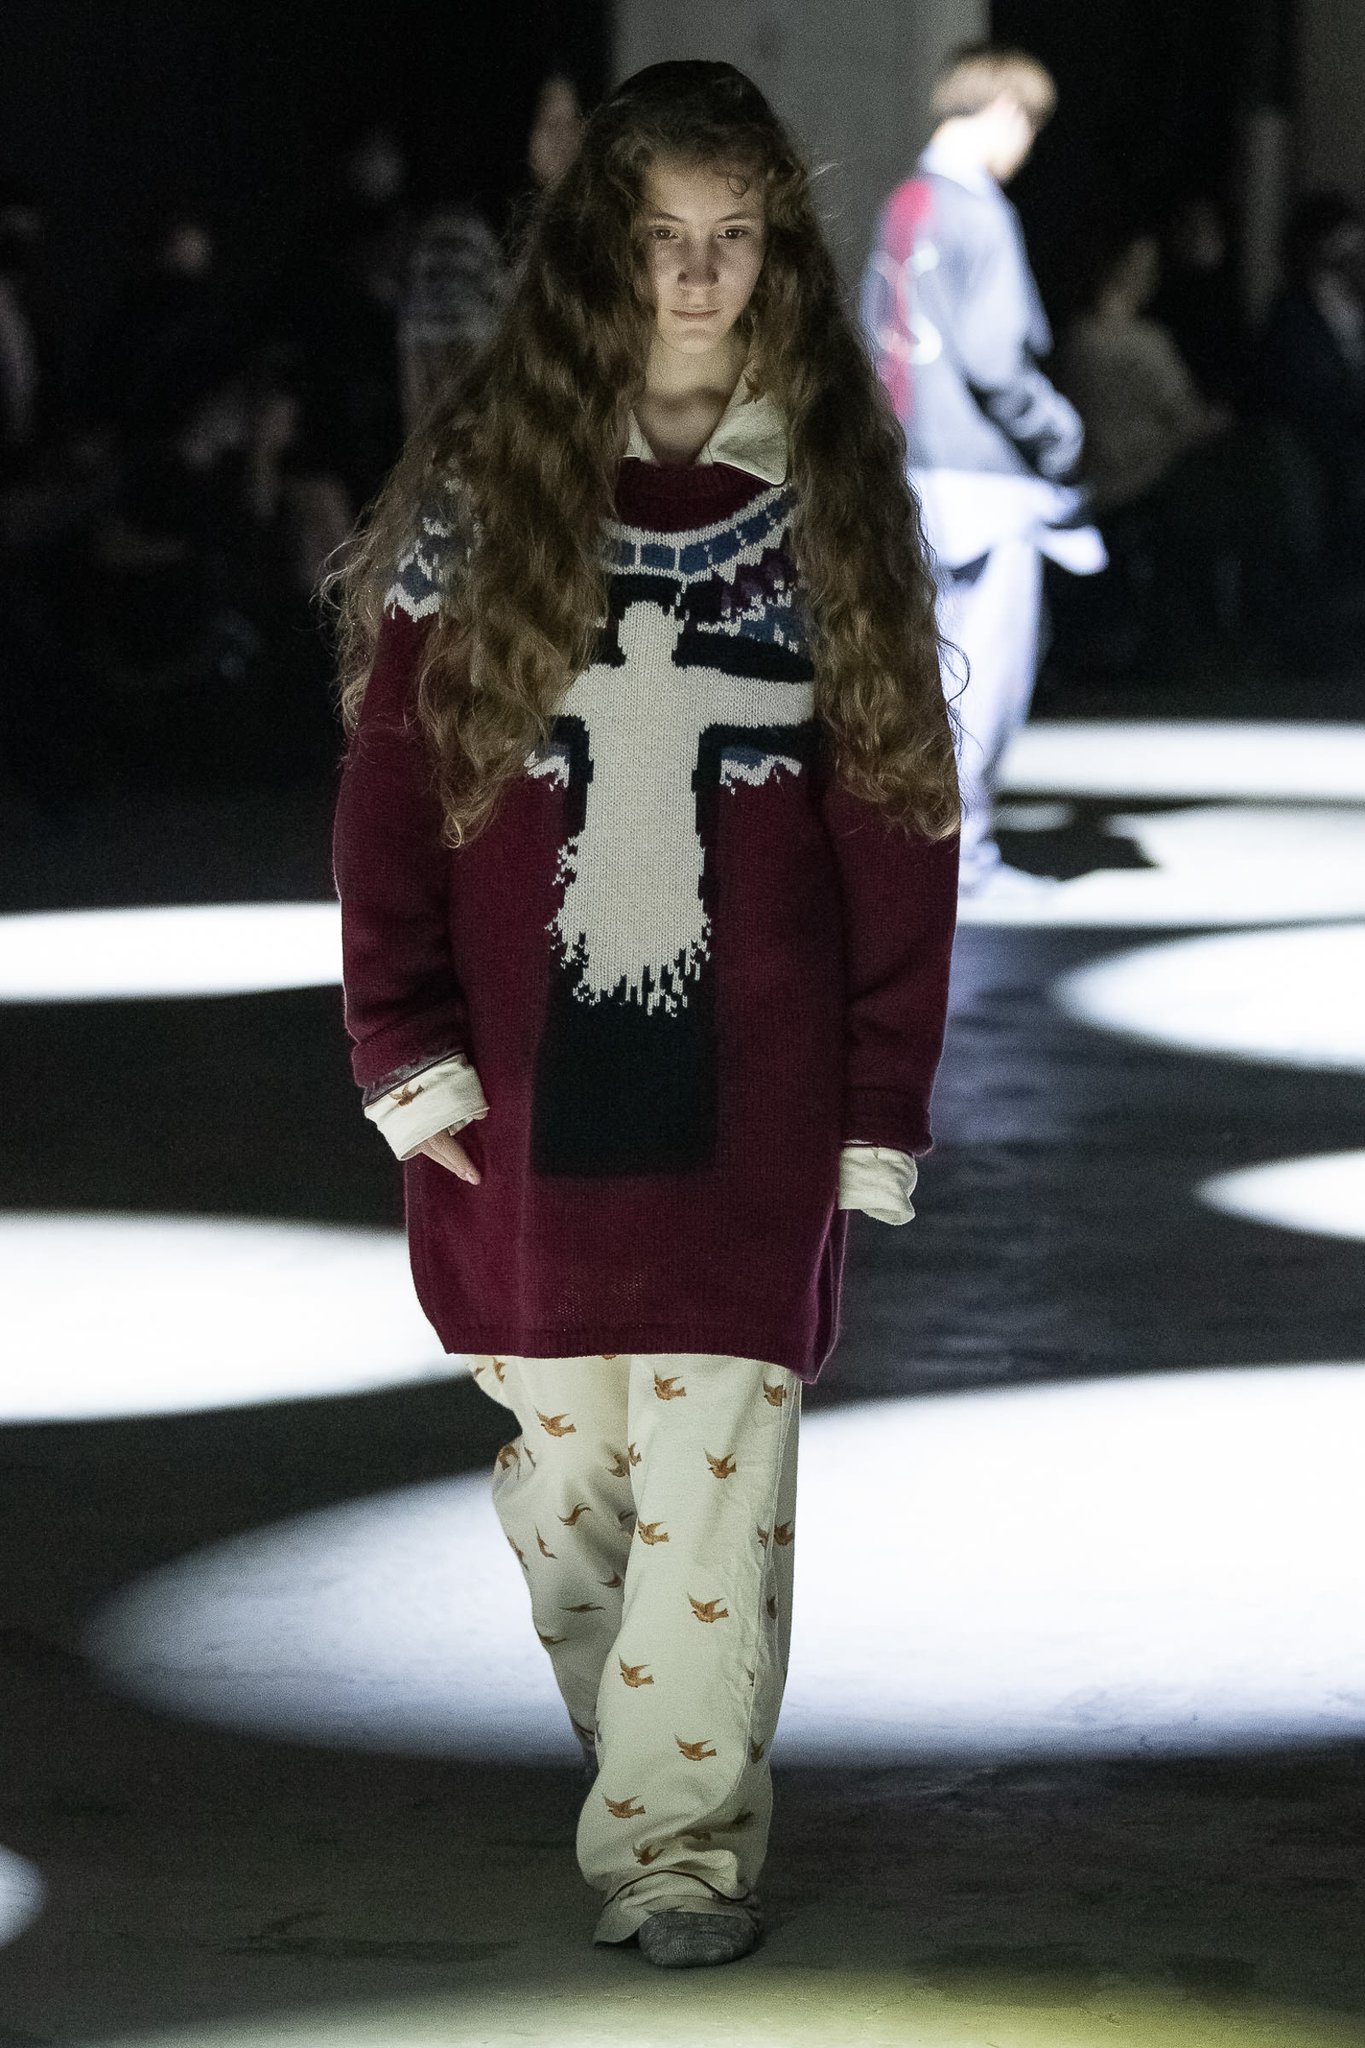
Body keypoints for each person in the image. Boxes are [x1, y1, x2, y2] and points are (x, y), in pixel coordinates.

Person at [330, 60, 959, 1969]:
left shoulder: (826, 504)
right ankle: (645, 1744)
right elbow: (389, 788)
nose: (694, 276)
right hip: (521, 1080)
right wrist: (399, 1036)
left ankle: (676, 1844)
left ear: (776, 256)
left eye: (731, 238)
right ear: (601, 250)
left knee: (715, 1466)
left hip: (753, 1082)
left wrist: (881, 1092)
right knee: (568, 1477)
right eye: (661, 237)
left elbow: (897, 815)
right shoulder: (486, 496)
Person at [860, 43, 1104, 903]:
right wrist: (1063, 435)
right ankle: (966, 862)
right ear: (1004, 111)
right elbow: (998, 363)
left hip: (906, 473)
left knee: (920, 672)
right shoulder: (979, 213)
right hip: (986, 487)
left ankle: (912, 855)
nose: (1026, 147)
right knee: (987, 675)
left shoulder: (903, 203)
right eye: (1028, 126)